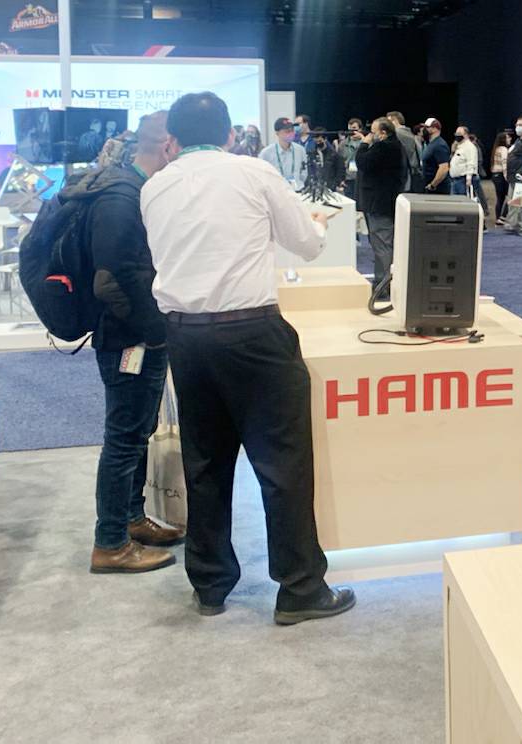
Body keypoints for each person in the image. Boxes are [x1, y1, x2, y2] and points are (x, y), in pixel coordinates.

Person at [140, 92, 354, 624]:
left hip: (185, 337)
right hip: (252, 333)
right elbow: (307, 244)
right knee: (283, 463)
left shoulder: (155, 186)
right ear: (231, 134)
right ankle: (300, 588)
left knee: (205, 464)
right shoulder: (253, 173)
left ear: (173, 140)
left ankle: (210, 585)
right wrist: (317, 224)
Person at [57, 111, 187, 573]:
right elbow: (112, 279)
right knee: (124, 439)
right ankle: (110, 542)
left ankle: (131, 519)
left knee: (137, 433)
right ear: (169, 146)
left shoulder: (131, 189)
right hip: (128, 339)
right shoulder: (121, 197)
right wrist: (155, 331)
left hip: (135, 334)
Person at [356, 117, 407, 295]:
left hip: (379, 204)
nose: (371, 135)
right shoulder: (395, 146)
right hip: (386, 202)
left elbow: (362, 163)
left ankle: (383, 286)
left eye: (374, 132)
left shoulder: (384, 147)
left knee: (382, 246)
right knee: (383, 245)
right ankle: (382, 282)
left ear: (383, 133)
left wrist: (364, 144)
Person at [259, 117, 308, 190]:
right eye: (287, 131)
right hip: (277, 192)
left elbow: (304, 172)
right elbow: (261, 175)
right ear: (277, 133)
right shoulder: (266, 153)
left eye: (292, 130)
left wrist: (298, 183)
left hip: (297, 191)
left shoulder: (300, 150)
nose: (291, 133)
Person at [387, 111, 424, 193]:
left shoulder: (397, 133)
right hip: (411, 173)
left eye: (388, 122)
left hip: (402, 174)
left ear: (395, 121)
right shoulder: (409, 133)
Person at [448, 124, 482, 202]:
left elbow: (471, 163)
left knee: (464, 202)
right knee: (455, 202)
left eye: (459, 134)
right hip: (455, 180)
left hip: (464, 180)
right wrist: (453, 151)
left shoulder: (469, 147)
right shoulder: (459, 146)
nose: (457, 136)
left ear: (466, 135)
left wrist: (468, 178)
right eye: (456, 134)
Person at [420, 118, 452, 195]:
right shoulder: (430, 144)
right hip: (430, 188)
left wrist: (433, 185)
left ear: (435, 128)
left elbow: (444, 168)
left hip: (438, 190)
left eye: (427, 127)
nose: (424, 130)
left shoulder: (439, 145)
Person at [339, 118, 365, 201]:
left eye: (354, 128)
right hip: (348, 177)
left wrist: (363, 139)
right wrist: (341, 179)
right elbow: (340, 162)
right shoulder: (343, 144)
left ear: (360, 129)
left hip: (362, 177)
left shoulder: (366, 142)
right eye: (349, 129)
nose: (351, 131)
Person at [490, 131, 512, 226]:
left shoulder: (496, 149)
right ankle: (502, 216)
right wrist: (506, 176)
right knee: (510, 196)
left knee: (500, 198)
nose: (510, 139)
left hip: (495, 175)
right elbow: (504, 163)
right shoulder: (504, 149)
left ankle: (498, 217)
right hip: (501, 175)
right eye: (508, 137)